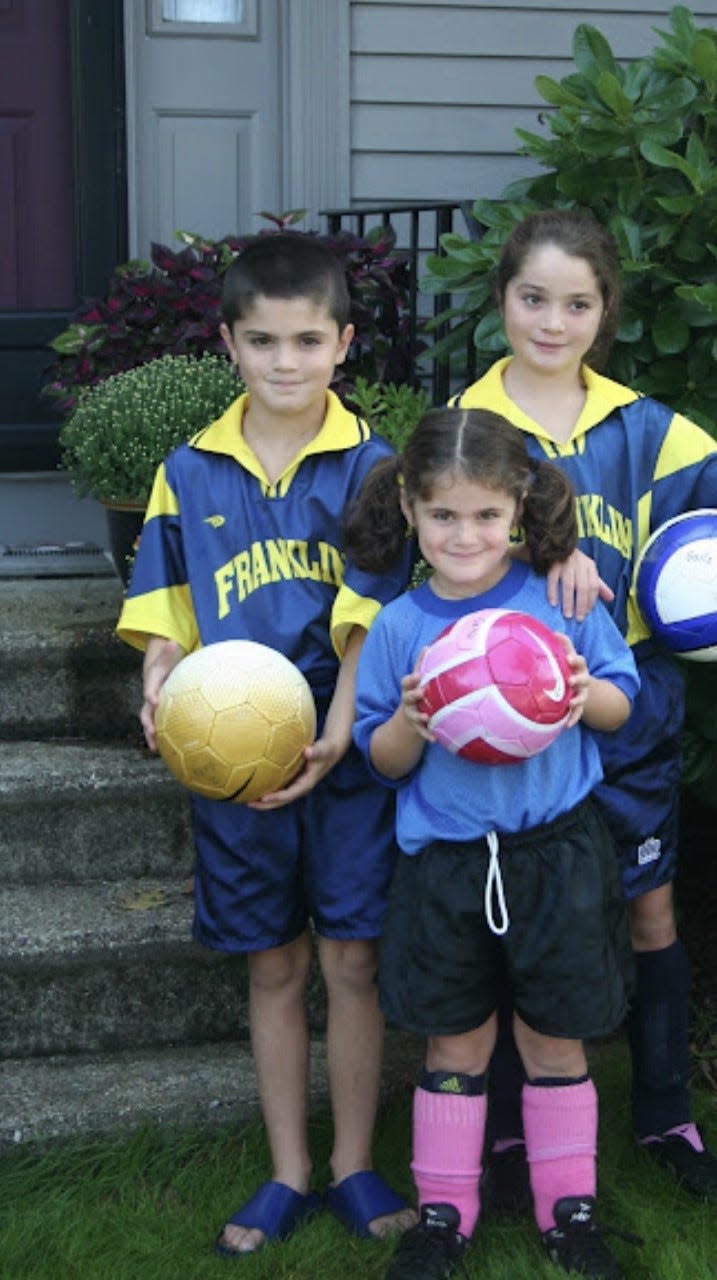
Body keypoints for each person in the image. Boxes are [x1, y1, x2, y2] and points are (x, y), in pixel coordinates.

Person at [451, 208, 717, 1208]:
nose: (552, 321)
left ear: (604, 312)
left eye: (576, 302)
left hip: (632, 703)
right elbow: (440, 547)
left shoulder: (642, 424)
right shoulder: (471, 424)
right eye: (533, 298)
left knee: (648, 910)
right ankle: (518, 1127)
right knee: (512, 917)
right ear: (501, 300)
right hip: (508, 708)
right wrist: (537, 545)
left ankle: (664, 1111)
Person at [116, 231, 417, 1257]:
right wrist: (159, 673)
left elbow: (369, 613)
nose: (285, 361)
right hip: (234, 754)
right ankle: (289, 1165)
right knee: (275, 963)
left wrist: (336, 736)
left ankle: (354, 1162)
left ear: (342, 343)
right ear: (228, 345)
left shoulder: (375, 466)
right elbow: (164, 606)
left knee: (351, 955)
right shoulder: (188, 467)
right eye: (262, 342)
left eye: (305, 340)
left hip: (343, 745)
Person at [346, 407, 642, 1280]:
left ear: (517, 506)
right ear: (409, 510)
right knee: (455, 1045)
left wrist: (579, 690)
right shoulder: (401, 625)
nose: (464, 535)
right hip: (446, 867)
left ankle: (570, 1214)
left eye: (483, 515)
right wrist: (410, 720)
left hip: (557, 853)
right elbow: (382, 759)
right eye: (443, 516)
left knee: (556, 1041)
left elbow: (623, 709)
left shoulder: (560, 596)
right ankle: (445, 1215)